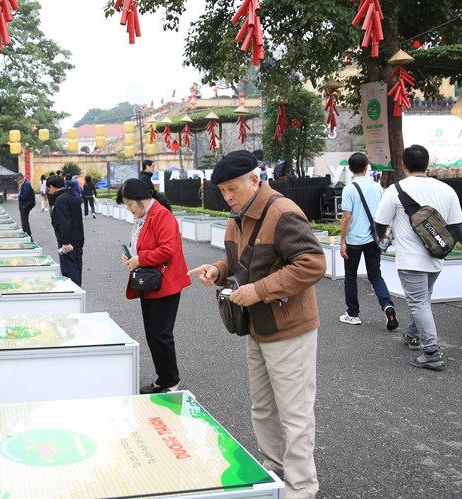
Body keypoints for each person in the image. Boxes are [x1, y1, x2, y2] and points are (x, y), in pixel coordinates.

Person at [187, 150, 326, 499]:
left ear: (254, 179)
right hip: (256, 326)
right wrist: (218, 270)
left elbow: (312, 264)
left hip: (289, 328)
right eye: (222, 191)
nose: (227, 196)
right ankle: (274, 470)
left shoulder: (282, 211)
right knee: (262, 407)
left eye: (232, 188)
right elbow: (238, 260)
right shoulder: (237, 217)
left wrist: (259, 290)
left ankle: (301, 487)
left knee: (294, 414)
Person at [374, 145, 462, 371]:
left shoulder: (395, 190)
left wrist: (382, 240)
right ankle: (412, 335)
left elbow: (380, 223)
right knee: (423, 299)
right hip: (436, 256)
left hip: (410, 259)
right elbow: (459, 226)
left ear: (403, 165)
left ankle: (431, 353)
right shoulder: (446, 189)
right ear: (427, 164)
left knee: (418, 302)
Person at [117, 178, 190, 395]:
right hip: (150, 280)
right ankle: (162, 378)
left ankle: (172, 382)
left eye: (130, 203)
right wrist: (131, 255)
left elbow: (168, 250)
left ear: (141, 199)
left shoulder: (161, 215)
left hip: (166, 282)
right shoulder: (144, 216)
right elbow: (142, 244)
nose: (129, 209)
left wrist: (140, 259)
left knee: (161, 334)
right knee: (152, 333)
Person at [339, 152, 398, 329]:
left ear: (350, 169)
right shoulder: (377, 187)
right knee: (375, 275)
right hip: (373, 239)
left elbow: (346, 217)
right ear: (366, 168)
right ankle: (387, 306)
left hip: (354, 241)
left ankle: (353, 314)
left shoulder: (349, 189)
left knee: (350, 276)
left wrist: (343, 241)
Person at [46, 175, 84, 286]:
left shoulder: (61, 200)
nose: (48, 191)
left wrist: (65, 241)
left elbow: (64, 221)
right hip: (78, 237)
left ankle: (74, 292)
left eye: (48, 188)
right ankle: (78, 290)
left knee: (69, 269)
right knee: (76, 267)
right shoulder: (73, 196)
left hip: (68, 241)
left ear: (52, 186)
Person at [15, 173, 36, 237]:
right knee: (24, 221)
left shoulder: (26, 184)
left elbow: (25, 196)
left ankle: (28, 235)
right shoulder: (24, 184)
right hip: (24, 204)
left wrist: (17, 197)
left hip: (25, 205)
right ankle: (26, 233)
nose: (17, 182)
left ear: (21, 179)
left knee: (24, 221)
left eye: (18, 180)